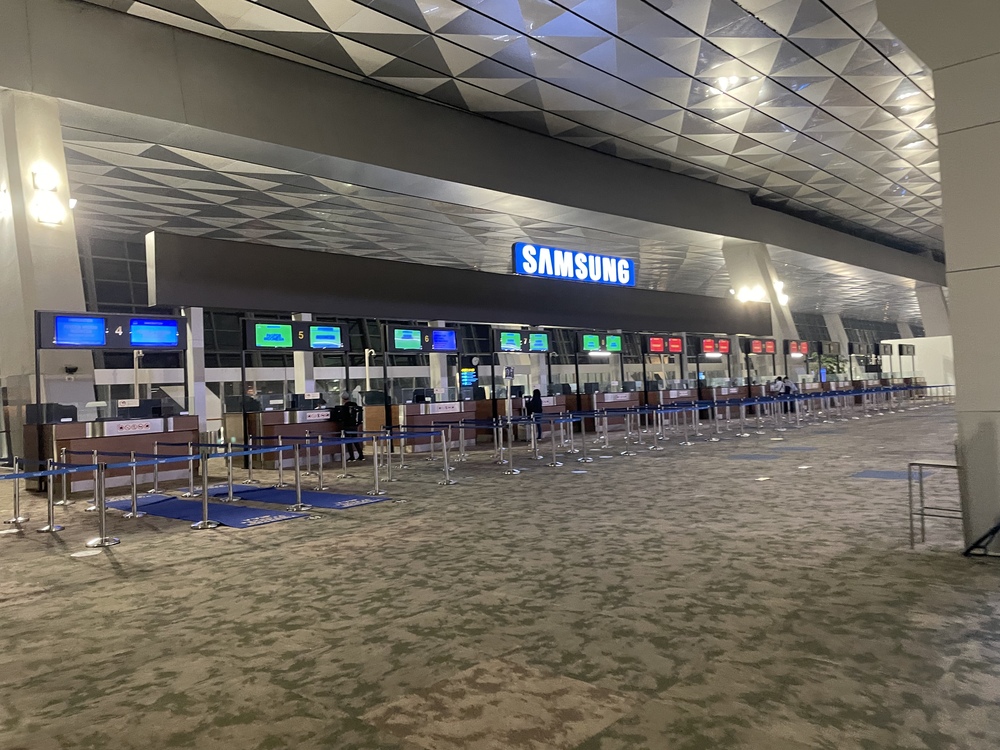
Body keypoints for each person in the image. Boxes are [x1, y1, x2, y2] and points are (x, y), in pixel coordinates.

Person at [336, 392, 364, 461]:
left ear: (343, 399)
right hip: (354, 425)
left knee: (348, 441)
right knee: (355, 440)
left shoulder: (344, 407)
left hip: (347, 425)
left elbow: (342, 416)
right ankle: (361, 455)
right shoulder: (355, 405)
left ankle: (352, 456)